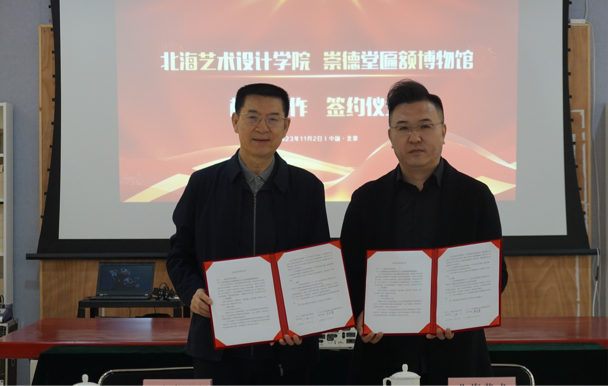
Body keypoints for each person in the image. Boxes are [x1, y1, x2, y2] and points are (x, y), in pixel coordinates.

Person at [341, 79, 508, 386]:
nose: (415, 137)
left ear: (443, 132)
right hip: (382, 350)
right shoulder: (366, 199)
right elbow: (348, 271)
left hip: (456, 351)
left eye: (425, 126)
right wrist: (360, 312)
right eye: (403, 128)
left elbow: (496, 274)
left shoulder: (476, 196)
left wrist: (461, 312)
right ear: (390, 136)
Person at [167, 83, 330, 386]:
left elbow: (317, 266)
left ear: (286, 126)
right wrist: (192, 291)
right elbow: (180, 254)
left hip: (287, 349)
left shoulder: (308, 188)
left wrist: (305, 320)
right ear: (235, 121)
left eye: (273, 118)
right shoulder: (203, 184)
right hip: (217, 345)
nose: (262, 128)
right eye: (252, 117)